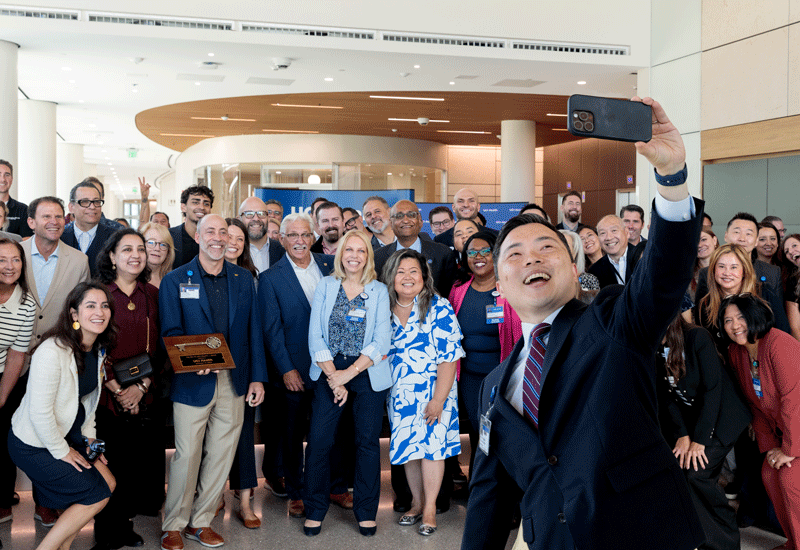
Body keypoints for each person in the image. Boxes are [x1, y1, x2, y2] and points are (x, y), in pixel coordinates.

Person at [461, 97, 705, 550]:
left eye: (546, 248)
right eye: (514, 254)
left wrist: (671, 179)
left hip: (640, 536)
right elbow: (490, 496)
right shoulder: (494, 386)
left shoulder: (611, 321)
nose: (531, 257)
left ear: (575, 271)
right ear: (500, 283)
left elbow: (664, 277)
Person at [159, 214, 267, 550]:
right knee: (188, 454)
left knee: (221, 454)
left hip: (234, 380)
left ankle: (201, 522)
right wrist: (192, 361)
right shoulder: (176, 279)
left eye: (223, 232)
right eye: (211, 231)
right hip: (193, 381)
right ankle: (174, 524)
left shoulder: (243, 278)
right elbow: (171, 331)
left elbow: (254, 333)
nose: (218, 238)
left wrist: (258, 379)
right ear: (198, 236)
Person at [9, 282, 117, 550]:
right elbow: (39, 412)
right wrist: (62, 450)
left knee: (109, 482)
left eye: (104, 306)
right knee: (96, 495)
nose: (99, 312)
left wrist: (89, 440)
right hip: (34, 442)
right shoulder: (52, 350)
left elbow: (87, 403)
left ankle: (64, 546)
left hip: (67, 432)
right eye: (90, 306)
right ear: (74, 314)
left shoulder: (97, 349)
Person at [304, 229, 391, 537]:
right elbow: (315, 336)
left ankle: (366, 511)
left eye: (361, 251)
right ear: (340, 254)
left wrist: (347, 375)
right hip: (330, 367)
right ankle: (314, 508)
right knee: (319, 440)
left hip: (366, 371)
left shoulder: (378, 290)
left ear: (368, 256)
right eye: (348, 250)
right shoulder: (327, 286)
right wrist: (334, 376)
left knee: (367, 443)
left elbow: (382, 341)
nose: (354, 256)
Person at [258, 212, 340, 519]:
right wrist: (286, 369)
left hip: (331, 370)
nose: (300, 241)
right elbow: (271, 329)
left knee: (327, 433)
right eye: (292, 235)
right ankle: (295, 492)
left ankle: (330, 486)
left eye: (305, 235)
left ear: (315, 235)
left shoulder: (331, 267)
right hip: (292, 372)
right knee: (291, 436)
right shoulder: (270, 278)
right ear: (282, 238)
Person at [384, 249, 464, 536]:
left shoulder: (438, 307)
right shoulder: (384, 308)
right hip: (400, 395)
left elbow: (449, 357)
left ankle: (430, 508)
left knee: (432, 450)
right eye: (401, 271)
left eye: (413, 271)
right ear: (391, 276)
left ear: (423, 276)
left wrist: (438, 400)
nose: (407, 277)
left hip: (434, 392)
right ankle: (416, 504)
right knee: (409, 450)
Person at [91, 229, 163, 550]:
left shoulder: (153, 294)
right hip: (109, 396)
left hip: (145, 395)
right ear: (112, 256)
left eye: (140, 249)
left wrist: (142, 387)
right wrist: (120, 390)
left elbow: (160, 348)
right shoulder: (99, 294)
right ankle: (106, 531)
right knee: (111, 464)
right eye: (127, 249)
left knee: (135, 467)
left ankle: (125, 525)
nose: (135, 255)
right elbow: (91, 346)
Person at [657, 314, 751, 550]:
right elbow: (666, 397)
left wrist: (699, 439)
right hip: (691, 422)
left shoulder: (697, 337)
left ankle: (726, 539)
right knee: (679, 470)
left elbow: (713, 390)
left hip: (723, 419)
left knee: (697, 474)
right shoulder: (652, 346)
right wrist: (682, 435)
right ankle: (702, 536)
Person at [720, 293, 800, 550]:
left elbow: (793, 402)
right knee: (768, 471)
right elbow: (754, 404)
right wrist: (769, 447)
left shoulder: (780, 344)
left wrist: (788, 450)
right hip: (785, 433)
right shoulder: (736, 352)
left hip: (797, 431)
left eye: (740, 317)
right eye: (727, 320)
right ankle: (793, 542)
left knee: (790, 478)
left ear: (755, 316)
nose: (734, 326)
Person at [448, 232, 521, 477]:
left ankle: (510, 496)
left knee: (506, 434)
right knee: (480, 434)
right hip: (469, 378)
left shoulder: (511, 286)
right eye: (472, 252)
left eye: (485, 251)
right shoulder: (458, 290)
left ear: (496, 254)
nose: (478, 257)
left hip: (503, 375)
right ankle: (483, 488)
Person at [220, 217, 260, 528]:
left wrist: (257, 376)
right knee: (211, 442)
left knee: (245, 439)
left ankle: (245, 501)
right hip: (208, 372)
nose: (233, 243)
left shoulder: (250, 278)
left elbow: (256, 332)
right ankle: (213, 495)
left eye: (240, 239)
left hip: (243, 372)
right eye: (228, 236)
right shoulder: (202, 275)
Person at [696, 212, 788, 334]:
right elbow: (702, 324)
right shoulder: (707, 281)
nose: (742, 238)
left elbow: (781, 326)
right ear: (725, 236)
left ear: (756, 241)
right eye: (736, 232)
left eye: (748, 233)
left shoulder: (766, 286)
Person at [0, 238, 35, 522]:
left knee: (1, 444)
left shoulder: (26, 303)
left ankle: (1, 502)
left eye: (16, 260)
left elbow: (16, 356)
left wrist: (1, 398)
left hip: (3, 378)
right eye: (1, 259)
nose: (9, 267)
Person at [61, 181, 119, 278]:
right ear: (71, 207)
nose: (92, 207)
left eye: (96, 202)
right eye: (85, 202)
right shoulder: (60, 236)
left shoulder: (115, 237)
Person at [588, 215, 640, 288]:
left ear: (627, 233)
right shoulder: (593, 272)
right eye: (603, 233)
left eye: (614, 231)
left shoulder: (643, 258)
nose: (609, 237)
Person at [169, 185, 213, 270]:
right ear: (183, 207)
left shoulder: (215, 239)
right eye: (195, 202)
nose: (201, 207)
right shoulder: (169, 236)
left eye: (206, 204)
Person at [238, 196, 283, 274]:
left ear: (268, 218)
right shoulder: (233, 250)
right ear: (239, 219)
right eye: (249, 214)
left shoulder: (282, 251)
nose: (256, 218)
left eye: (261, 214)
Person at [0, 160, 32, 238]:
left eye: (7, 175)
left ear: (12, 179)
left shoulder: (23, 210)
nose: (3, 179)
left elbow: (27, 239)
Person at [139, 221, 174, 289]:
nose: (157, 248)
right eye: (151, 242)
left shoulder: (173, 282)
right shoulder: (131, 281)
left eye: (163, 244)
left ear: (168, 252)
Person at [689, 227, 718, 301]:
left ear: (714, 240)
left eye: (703, 239)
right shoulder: (687, 276)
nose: (699, 245)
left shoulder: (729, 269)